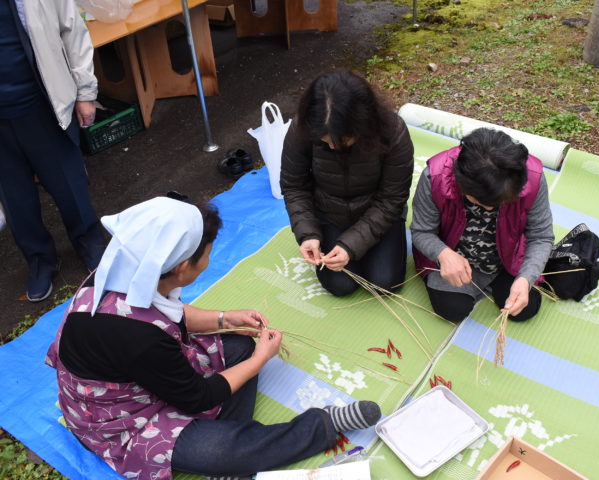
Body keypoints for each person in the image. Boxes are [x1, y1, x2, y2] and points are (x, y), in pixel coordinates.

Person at [45, 197, 381, 480]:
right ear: (181, 267)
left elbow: (167, 312)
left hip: (146, 377)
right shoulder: (140, 339)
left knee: (239, 344)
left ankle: (228, 439)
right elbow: (198, 396)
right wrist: (260, 360)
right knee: (222, 449)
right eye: (206, 254)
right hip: (121, 421)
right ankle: (322, 424)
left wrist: (225, 318)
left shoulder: (125, 270)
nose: (208, 261)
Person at [0, 0, 104, 302]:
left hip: (42, 104)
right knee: (16, 199)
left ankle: (90, 243)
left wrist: (85, 93)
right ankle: (40, 260)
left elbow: (74, 32)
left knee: (68, 185)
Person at [280, 70, 415, 296]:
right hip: (329, 212)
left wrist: (350, 246)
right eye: (325, 140)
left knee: (384, 283)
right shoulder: (302, 128)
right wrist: (308, 233)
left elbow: (392, 199)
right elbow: (294, 186)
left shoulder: (393, 131)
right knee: (340, 285)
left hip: (378, 212)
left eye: (341, 140)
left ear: (364, 123)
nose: (332, 147)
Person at [411, 128, 554, 323]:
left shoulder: (532, 179)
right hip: (452, 252)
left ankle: (499, 280)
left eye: (499, 202)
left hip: (508, 256)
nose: (489, 208)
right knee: (452, 310)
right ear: (461, 182)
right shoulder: (436, 176)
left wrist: (525, 279)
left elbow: (541, 236)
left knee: (523, 309)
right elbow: (422, 231)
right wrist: (442, 254)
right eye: (480, 201)